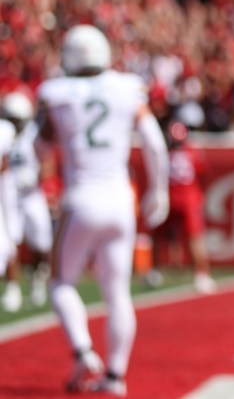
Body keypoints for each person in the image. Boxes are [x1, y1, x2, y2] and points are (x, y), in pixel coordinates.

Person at [36, 24, 170, 396]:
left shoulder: (57, 93)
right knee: (118, 294)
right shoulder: (127, 88)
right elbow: (155, 145)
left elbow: (40, 149)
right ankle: (115, 376)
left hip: (80, 198)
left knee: (61, 282)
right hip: (120, 202)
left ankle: (82, 350)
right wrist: (158, 190)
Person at [0, 91, 54, 311]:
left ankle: (37, 279)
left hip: (32, 195)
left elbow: (47, 159)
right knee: (11, 240)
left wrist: (42, 179)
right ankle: (13, 289)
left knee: (41, 242)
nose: (13, 124)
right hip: (9, 197)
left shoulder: (33, 134)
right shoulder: (3, 133)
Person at [148, 120, 215, 294]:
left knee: (176, 236)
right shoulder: (193, 151)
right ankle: (202, 275)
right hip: (186, 197)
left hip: (173, 197)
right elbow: (204, 173)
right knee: (194, 237)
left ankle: (156, 271)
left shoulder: (165, 152)